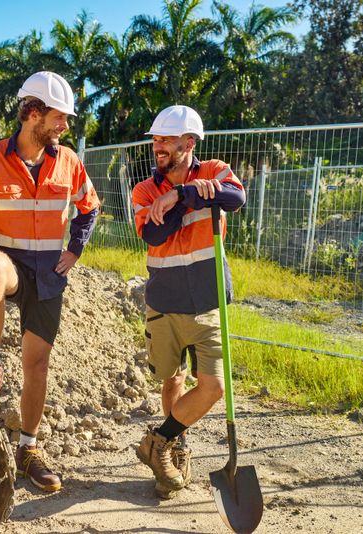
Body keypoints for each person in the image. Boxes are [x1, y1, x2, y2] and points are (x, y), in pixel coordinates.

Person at [0, 71, 100, 493]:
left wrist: (75, 249)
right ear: (33, 113)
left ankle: (28, 451)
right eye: (59, 117)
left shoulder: (69, 161)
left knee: (37, 365)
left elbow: (89, 207)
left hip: (49, 273)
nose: (64, 126)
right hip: (9, 263)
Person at [131, 105, 245, 497]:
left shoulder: (215, 170)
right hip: (164, 303)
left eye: (166, 140)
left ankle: (158, 442)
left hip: (209, 302)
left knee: (213, 387)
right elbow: (154, 235)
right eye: (156, 140)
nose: (158, 146)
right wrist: (188, 199)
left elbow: (235, 197)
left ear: (189, 142)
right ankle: (174, 450)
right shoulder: (144, 191)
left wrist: (182, 192)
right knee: (173, 380)